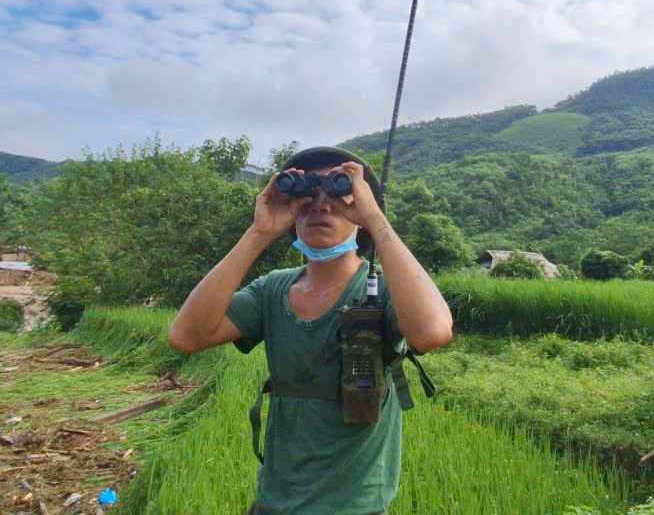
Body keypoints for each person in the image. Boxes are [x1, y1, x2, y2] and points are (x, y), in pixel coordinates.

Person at [168, 146, 453, 515]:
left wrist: (375, 218)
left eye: (337, 191)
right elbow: (185, 337)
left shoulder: (382, 291)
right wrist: (259, 232)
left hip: (356, 508)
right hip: (274, 503)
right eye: (307, 196)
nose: (321, 206)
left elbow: (432, 332)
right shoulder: (272, 290)